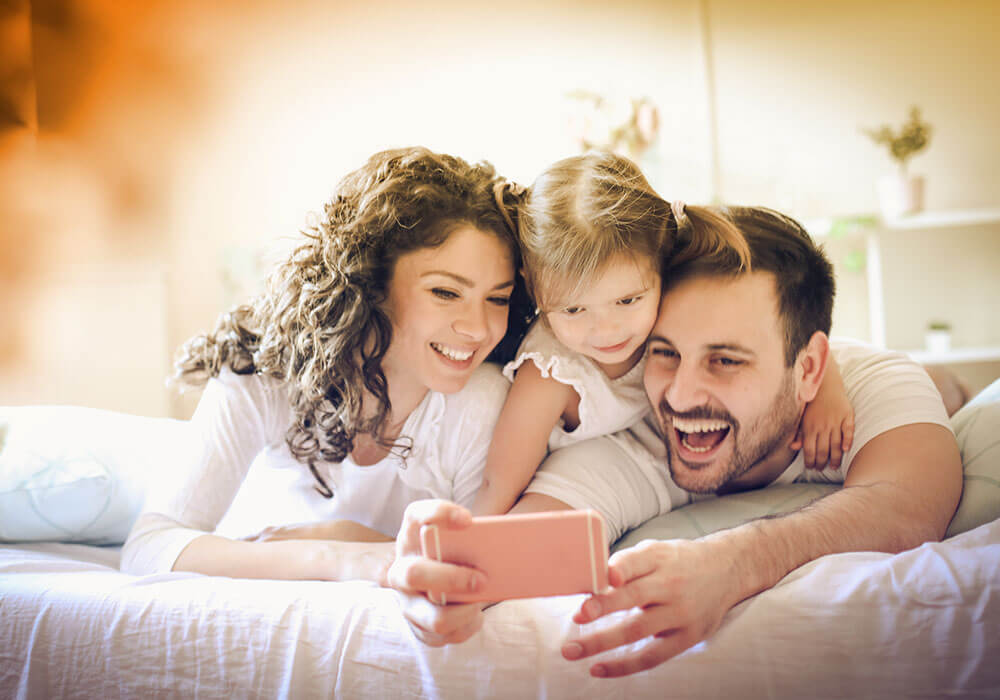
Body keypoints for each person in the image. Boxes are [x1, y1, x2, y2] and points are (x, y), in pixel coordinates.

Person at [388, 205, 963, 667]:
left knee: (947, 392)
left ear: (810, 369)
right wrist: (437, 586)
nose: (681, 396)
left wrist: (734, 563)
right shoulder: (631, 437)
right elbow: (513, 547)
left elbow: (909, 506)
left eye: (726, 361)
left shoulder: (869, 382)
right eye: (663, 353)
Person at [120, 146, 533, 582]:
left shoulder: (484, 399)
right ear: (371, 282)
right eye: (446, 293)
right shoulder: (261, 373)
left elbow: (474, 564)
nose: (477, 328)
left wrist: (347, 535)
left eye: (497, 299)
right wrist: (335, 557)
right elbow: (149, 547)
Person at [473, 152, 853, 520]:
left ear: (660, 265)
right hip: (536, 471)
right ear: (536, 290)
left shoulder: (661, 309)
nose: (606, 331)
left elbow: (801, 340)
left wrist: (826, 396)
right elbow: (498, 480)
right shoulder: (550, 374)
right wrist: (475, 541)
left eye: (626, 300)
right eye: (573, 310)